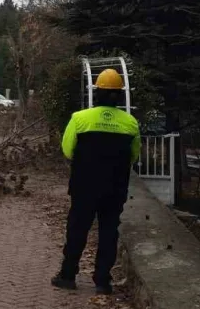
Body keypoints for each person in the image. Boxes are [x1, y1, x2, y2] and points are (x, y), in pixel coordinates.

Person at [51, 68, 140, 295]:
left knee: (77, 229)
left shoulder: (79, 119)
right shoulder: (131, 123)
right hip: (115, 188)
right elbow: (134, 155)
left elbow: (68, 150)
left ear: (97, 92)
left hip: (84, 186)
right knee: (109, 231)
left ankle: (68, 275)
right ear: (120, 95)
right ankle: (102, 281)